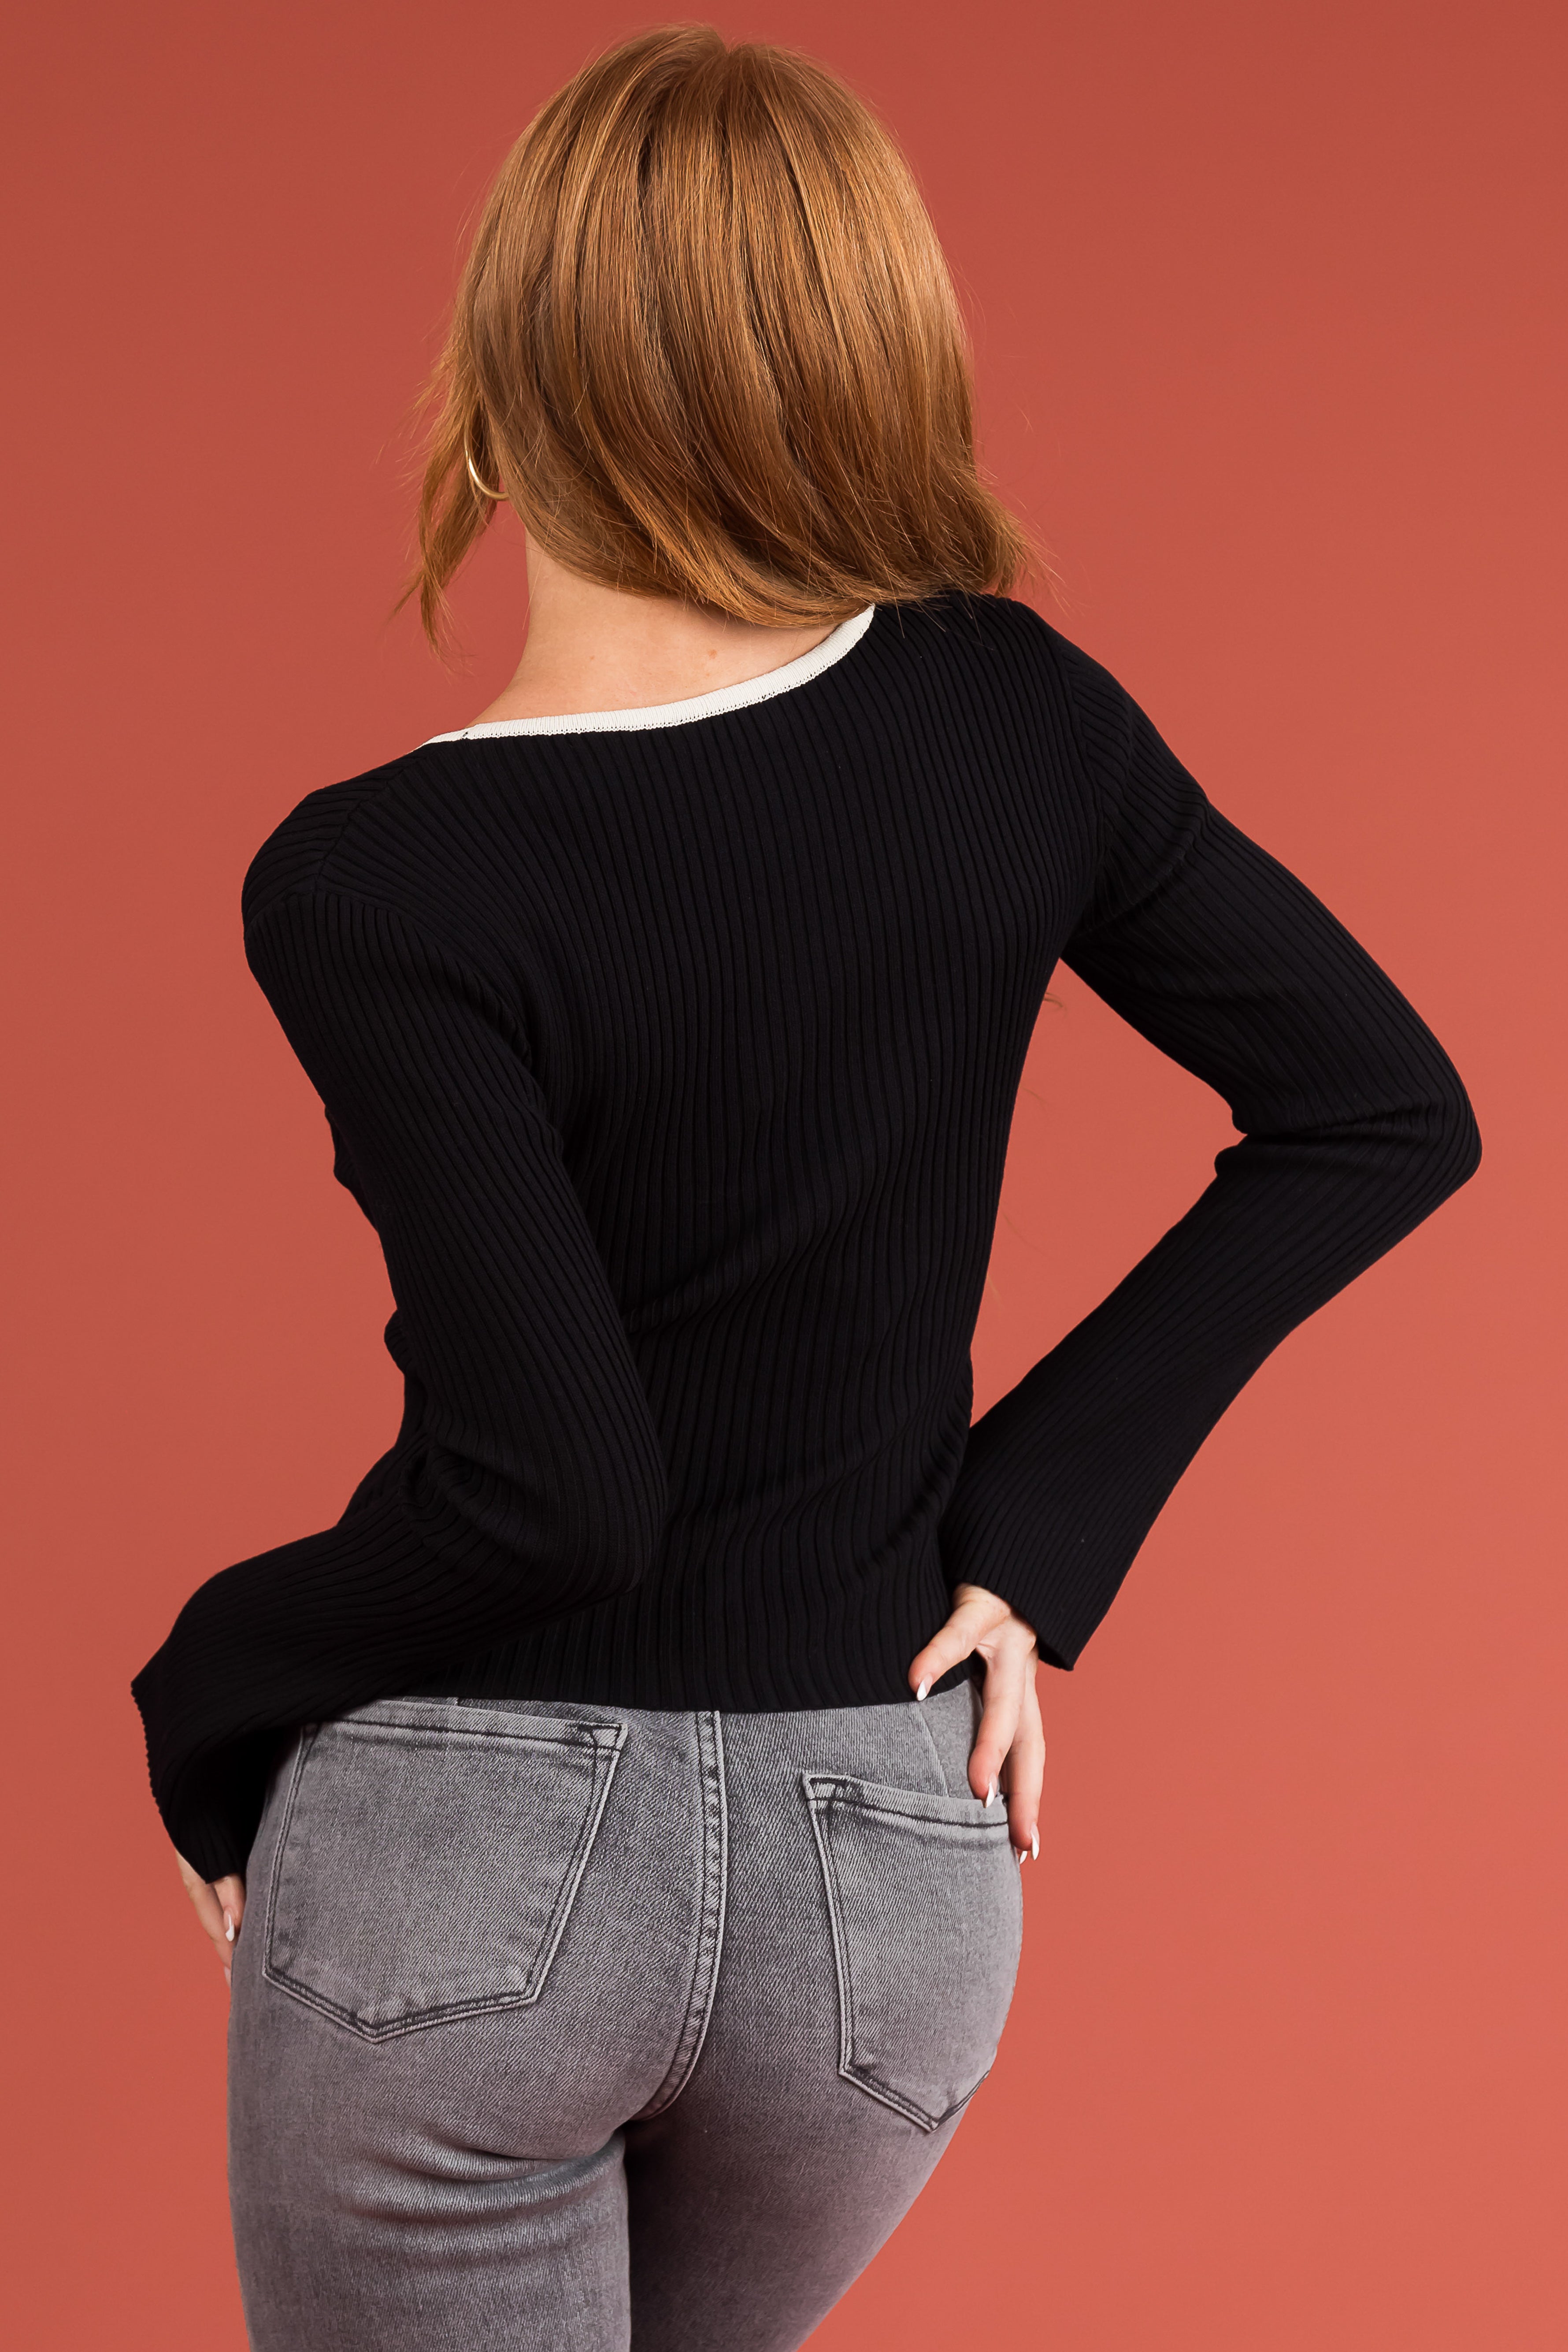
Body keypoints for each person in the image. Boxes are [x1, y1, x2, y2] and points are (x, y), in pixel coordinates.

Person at [130, 25, 1481, 2352]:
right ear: (871, 374)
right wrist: (1026, 1544)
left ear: (494, 402)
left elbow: (559, 1494)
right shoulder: (1015, 719)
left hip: (471, 1854)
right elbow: (1381, 1110)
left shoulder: (379, 878)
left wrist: (210, 1683)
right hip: (886, 1851)